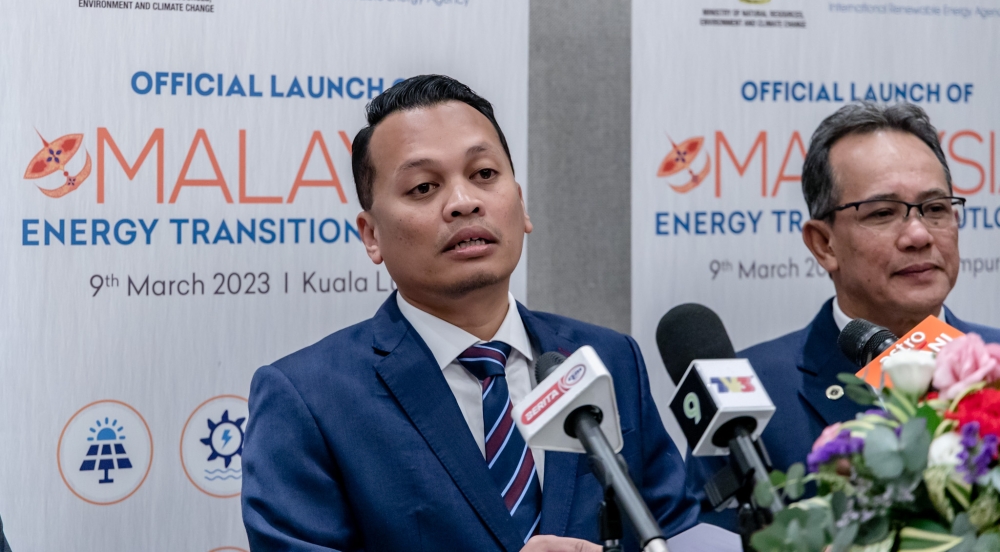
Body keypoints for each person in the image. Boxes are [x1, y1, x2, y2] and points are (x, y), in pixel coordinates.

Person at [241, 75, 699, 551]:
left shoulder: (607, 358)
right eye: (423, 187)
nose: (464, 202)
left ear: (520, 203)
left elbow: (677, 534)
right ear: (371, 234)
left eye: (484, 174)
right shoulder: (308, 399)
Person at [685, 102, 1000, 527]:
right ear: (823, 244)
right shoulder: (748, 394)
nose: (919, 235)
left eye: (936, 208)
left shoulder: (994, 362)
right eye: (883, 213)